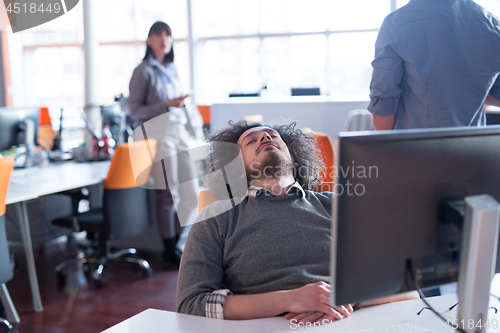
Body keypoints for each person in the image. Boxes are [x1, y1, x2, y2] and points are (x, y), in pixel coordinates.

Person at [177, 121, 418, 324]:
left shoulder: (338, 205)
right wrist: (288, 299)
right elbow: (190, 304)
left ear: (293, 160)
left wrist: (347, 297)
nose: (264, 136)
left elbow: (409, 287)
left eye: (273, 136)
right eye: (251, 141)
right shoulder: (217, 217)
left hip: (348, 322)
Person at [368, 0, 500, 130]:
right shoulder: (492, 24)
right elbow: (496, 96)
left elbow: (383, 110)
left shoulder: (395, 23)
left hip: (415, 148)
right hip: (473, 147)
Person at [128, 21, 199, 267]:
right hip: (158, 134)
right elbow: (134, 109)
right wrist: (166, 104)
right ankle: (169, 250)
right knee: (169, 195)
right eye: (158, 34)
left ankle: (180, 243)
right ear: (149, 40)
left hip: (179, 132)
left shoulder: (172, 69)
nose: (163, 38)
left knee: (191, 192)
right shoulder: (143, 71)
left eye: (167, 34)